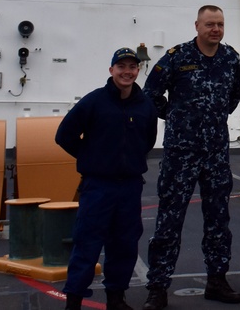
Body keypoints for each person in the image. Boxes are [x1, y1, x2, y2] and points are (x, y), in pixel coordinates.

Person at [142, 6, 240, 310]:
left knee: (218, 221)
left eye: (220, 24)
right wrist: (175, 116)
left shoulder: (230, 59)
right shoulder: (177, 57)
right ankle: (158, 287)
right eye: (210, 24)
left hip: (215, 151)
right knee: (169, 221)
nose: (215, 29)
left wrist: (210, 118)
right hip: (180, 153)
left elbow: (234, 95)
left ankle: (217, 280)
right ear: (197, 25)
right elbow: (150, 93)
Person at [56, 48, 158, 310]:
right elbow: (64, 135)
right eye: (121, 66)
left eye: (132, 67)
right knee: (87, 245)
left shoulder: (145, 105)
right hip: (98, 186)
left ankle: (116, 298)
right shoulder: (94, 102)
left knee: (124, 245)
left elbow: (148, 139)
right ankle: (74, 301)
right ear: (111, 70)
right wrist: (92, 158)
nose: (127, 72)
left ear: (138, 70)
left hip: (130, 186)